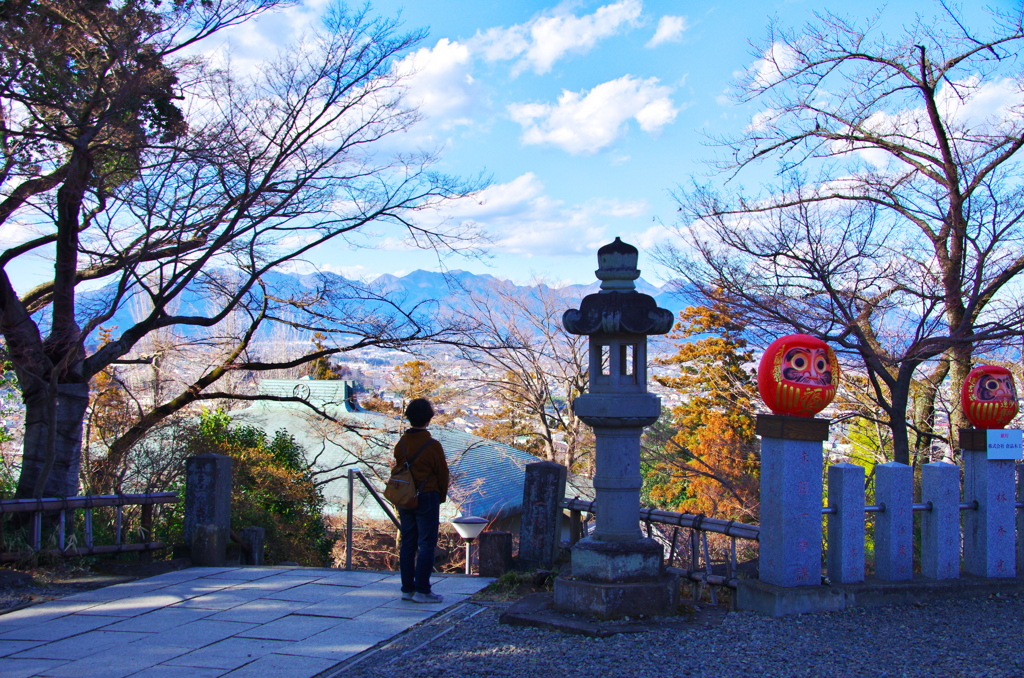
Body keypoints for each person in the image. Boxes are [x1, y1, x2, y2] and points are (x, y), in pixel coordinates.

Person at [395, 398, 449, 603]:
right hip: (427, 495)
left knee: (408, 543)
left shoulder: (401, 444)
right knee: (426, 543)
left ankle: (407, 588)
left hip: (405, 496)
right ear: (428, 419)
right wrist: (440, 496)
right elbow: (442, 473)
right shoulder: (432, 446)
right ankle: (423, 590)